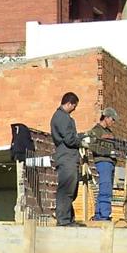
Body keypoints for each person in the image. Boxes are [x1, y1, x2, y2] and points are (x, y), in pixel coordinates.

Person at [50, 92, 84, 226]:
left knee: (71, 190)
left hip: (69, 157)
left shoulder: (63, 117)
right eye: (74, 105)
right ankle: (63, 220)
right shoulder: (62, 117)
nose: (75, 108)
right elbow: (69, 139)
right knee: (66, 190)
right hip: (66, 157)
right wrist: (80, 140)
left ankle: (68, 218)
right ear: (69, 103)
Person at [86, 107, 120, 221]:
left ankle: (99, 215)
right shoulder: (96, 131)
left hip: (110, 163)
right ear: (106, 117)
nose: (113, 122)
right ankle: (104, 215)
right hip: (103, 162)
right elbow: (93, 146)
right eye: (112, 119)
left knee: (107, 188)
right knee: (105, 189)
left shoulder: (110, 132)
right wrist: (106, 148)